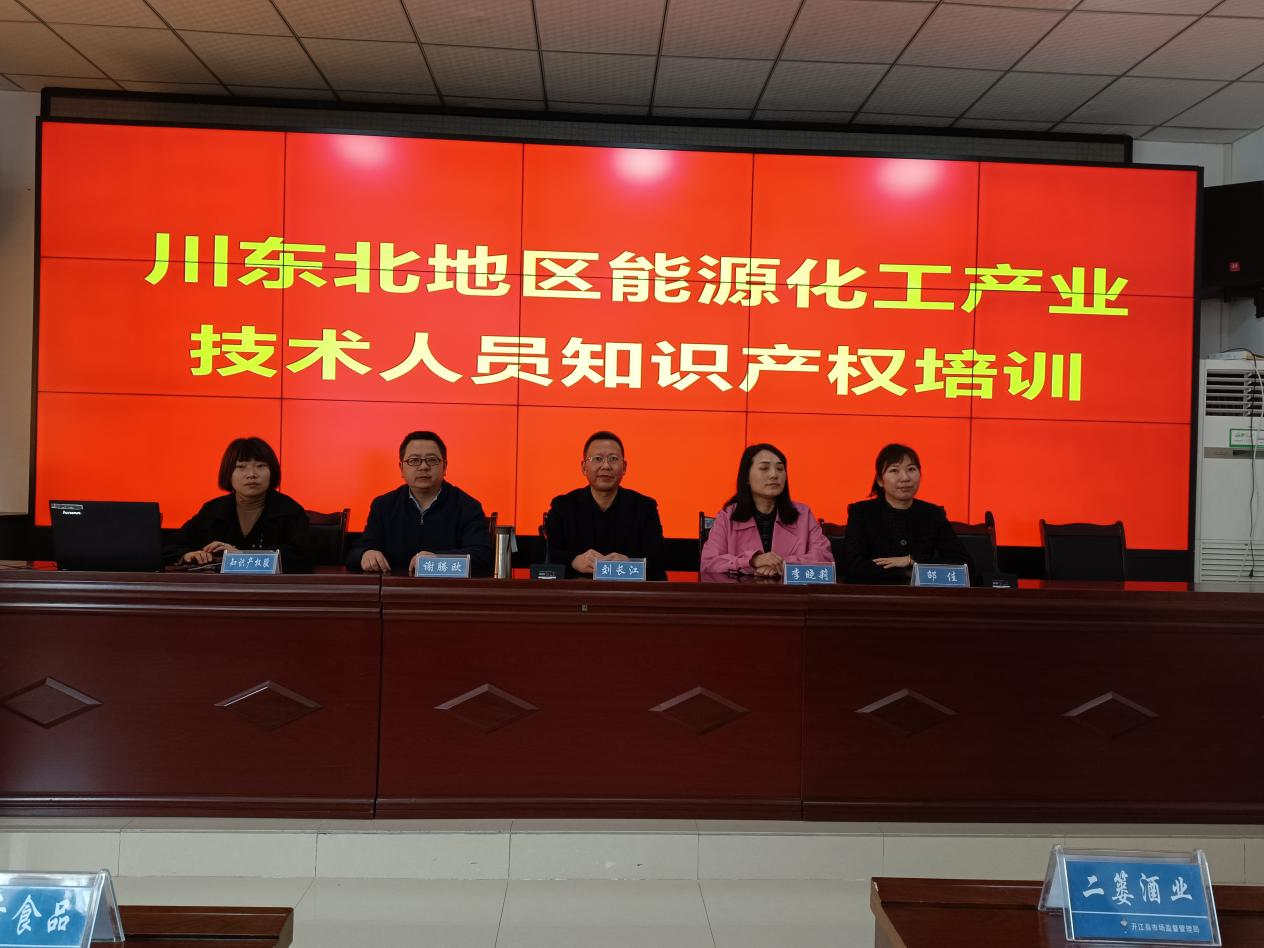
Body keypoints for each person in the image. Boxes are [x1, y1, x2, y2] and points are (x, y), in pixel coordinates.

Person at [346, 430, 492, 576]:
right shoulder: (383, 505)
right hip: (395, 588)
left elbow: (483, 556)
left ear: (445, 467)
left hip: (446, 587)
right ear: (401, 468)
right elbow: (355, 552)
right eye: (414, 460)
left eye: (432, 460)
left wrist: (438, 560)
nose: (423, 467)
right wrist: (366, 553)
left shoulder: (468, 506)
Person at [166, 436, 313, 572]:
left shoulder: (289, 511)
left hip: (271, 589)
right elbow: (169, 546)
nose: (252, 474)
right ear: (228, 473)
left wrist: (241, 556)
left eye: (260, 466)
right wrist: (186, 555)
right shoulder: (213, 510)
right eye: (241, 467)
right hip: (220, 589)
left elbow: (303, 556)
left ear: (272, 471)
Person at [840, 443, 973, 585]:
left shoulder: (932, 514)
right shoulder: (861, 512)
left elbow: (964, 564)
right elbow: (852, 567)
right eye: (894, 470)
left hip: (924, 596)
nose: (905, 477)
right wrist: (905, 572)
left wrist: (911, 560)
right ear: (880, 480)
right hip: (877, 594)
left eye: (911, 469)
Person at [544, 431, 665, 580]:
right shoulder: (563, 507)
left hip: (628, 591)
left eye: (613, 459)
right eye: (598, 459)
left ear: (624, 467)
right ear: (584, 467)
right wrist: (574, 561)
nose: (606, 466)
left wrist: (630, 562)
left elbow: (659, 555)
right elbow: (545, 553)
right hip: (578, 592)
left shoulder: (645, 508)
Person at [700, 443, 832, 577]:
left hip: (790, 591)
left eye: (780, 469)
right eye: (764, 468)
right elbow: (708, 563)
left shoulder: (803, 515)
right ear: (746, 478)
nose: (774, 474)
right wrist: (752, 561)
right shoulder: (727, 517)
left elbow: (825, 560)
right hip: (743, 590)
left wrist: (783, 565)